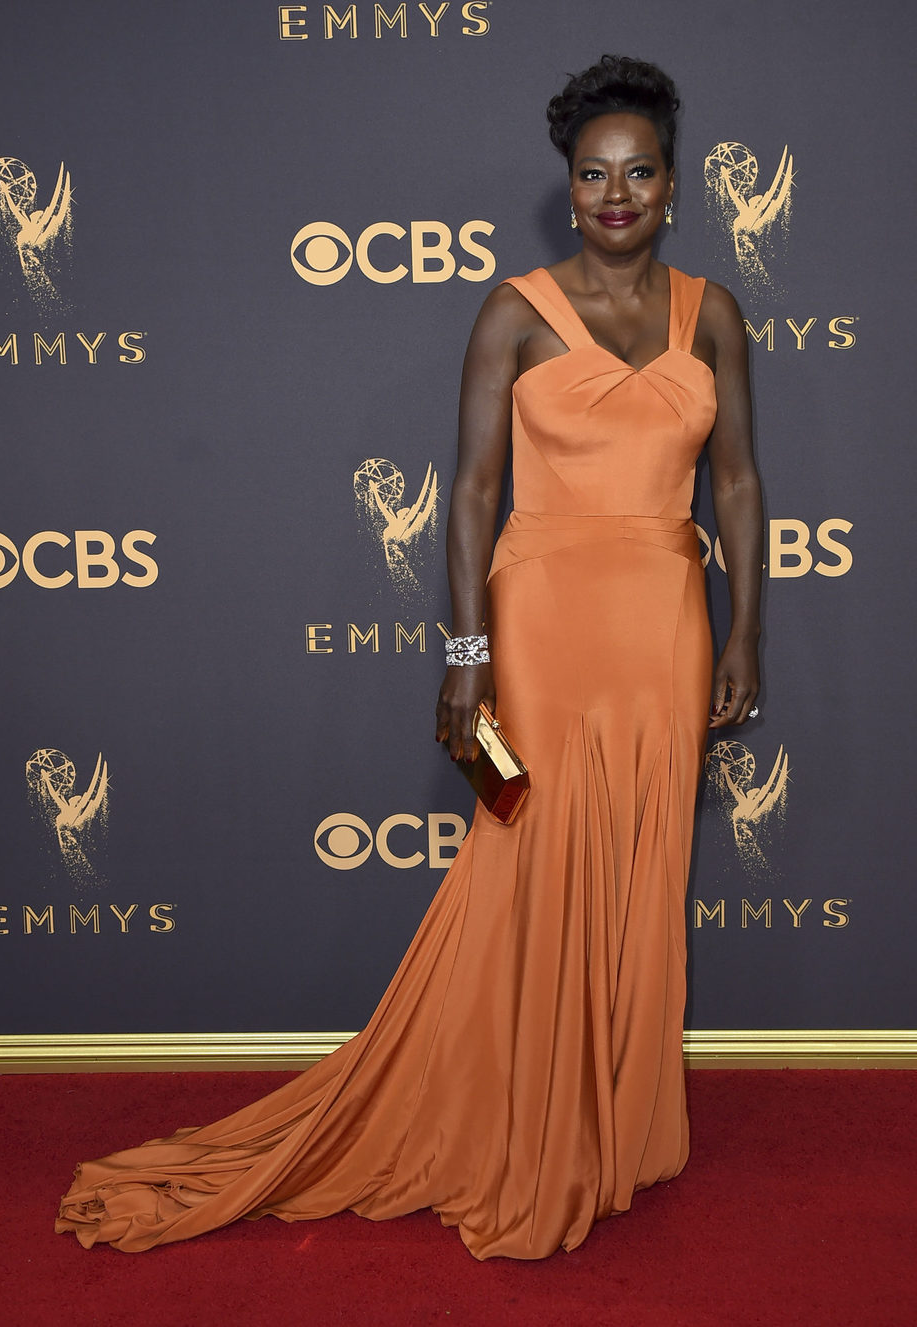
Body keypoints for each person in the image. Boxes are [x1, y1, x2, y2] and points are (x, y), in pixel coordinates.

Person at [56, 55, 762, 1261]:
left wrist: (746, 625)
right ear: (568, 185)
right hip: (541, 618)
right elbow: (474, 491)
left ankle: (616, 1122)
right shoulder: (512, 309)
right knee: (534, 852)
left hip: (666, 619)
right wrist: (470, 654)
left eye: (639, 172)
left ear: (673, 185)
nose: (616, 194)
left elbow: (738, 480)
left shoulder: (717, 312)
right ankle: (533, 1125)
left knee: (648, 861)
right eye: (594, 174)